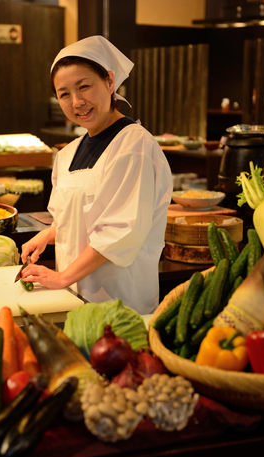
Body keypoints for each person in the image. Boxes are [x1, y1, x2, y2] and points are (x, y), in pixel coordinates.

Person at [19, 35, 173, 314]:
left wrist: (61, 276)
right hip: (71, 299)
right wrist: (48, 235)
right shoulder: (67, 153)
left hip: (119, 303)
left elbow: (118, 233)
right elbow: (75, 218)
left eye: (84, 86)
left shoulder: (134, 147)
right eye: (64, 93)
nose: (77, 102)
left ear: (110, 82)